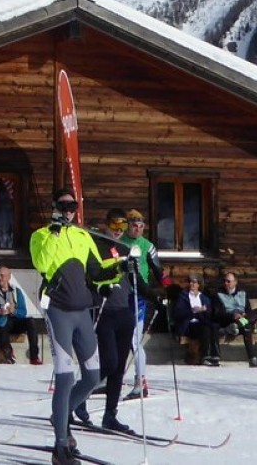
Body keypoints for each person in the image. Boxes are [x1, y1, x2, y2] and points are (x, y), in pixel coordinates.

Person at [30, 190, 124, 465]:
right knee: (64, 377)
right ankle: (60, 446)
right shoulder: (41, 235)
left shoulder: (83, 236)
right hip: (58, 310)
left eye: (73, 205)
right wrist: (55, 234)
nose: (69, 210)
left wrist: (120, 269)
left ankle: (60, 416)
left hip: (82, 311)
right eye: (64, 205)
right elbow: (42, 263)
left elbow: (97, 271)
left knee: (93, 376)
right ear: (54, 207)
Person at [76, 209, 142, 433]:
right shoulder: (96, 247)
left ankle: (110, 414)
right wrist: (99, 289)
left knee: (119, 368)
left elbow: (136, 279)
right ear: (106, 225)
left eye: (122, 227)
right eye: (114, 226)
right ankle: (79, 396)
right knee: (109, 362)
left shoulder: (124, 249)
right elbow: (91, 276)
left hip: (124, 310)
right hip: (103, 310)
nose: (118, 232)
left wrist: (157, 293)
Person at [120, 209, 162, 399]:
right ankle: (109, 378)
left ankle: (140, 382)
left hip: (138, 295)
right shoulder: (120, 241)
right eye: (134, 226)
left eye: (141, 226)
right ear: (127, 226)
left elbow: (158, 270)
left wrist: (164, 290)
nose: (137, 230)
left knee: (134, 340)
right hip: (118, 294)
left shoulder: (147, 245)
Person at [0, 265, 40, 364]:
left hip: (14, 321)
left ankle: (34, 356)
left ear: (9, 277)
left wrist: (13, 311)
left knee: (31, 321)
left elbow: (23, 312)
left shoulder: (16, 291)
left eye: (2, 276)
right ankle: (8, 352)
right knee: (1, 327)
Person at [211, 271, 257, 367]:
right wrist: (233, 315)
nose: (226, 283)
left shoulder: (242, 293)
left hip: (240, 322)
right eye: (224, 281)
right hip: (229, 320)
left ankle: (237, 325)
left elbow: (248, 310)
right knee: (247, 326)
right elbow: (218, 313)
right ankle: (252, 358)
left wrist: (244, 315)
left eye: (228, 281)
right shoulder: (218, 294)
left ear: (235, 282)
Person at [171, 274, 220, 366]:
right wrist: (193, 311)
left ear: (199, 284)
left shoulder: (204, 298)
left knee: (213, 326)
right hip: (188, 324)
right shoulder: (183, 297)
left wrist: (205, 309)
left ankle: (215, 355)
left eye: (194, 282)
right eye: (190, 282)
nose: (191, 284)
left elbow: (210, 312)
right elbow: (178, 313)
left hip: (202, 322)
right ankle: (206, 356)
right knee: (204, 328)